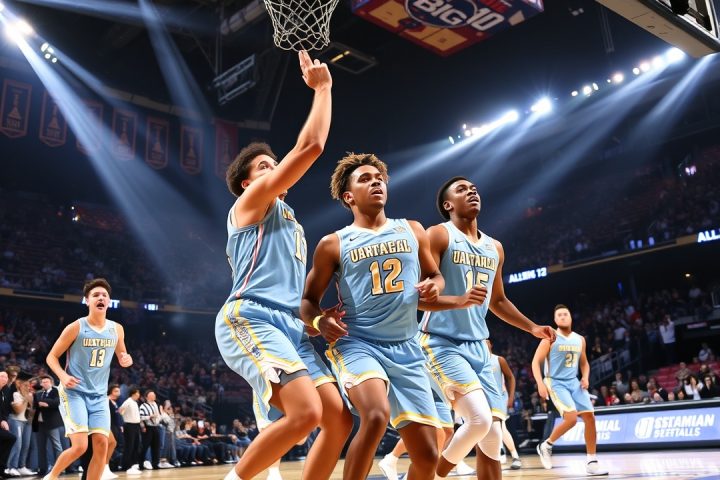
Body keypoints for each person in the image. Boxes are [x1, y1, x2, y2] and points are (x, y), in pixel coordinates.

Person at [216, 49, 352, 480]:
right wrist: (323, 88)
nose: (274, 169)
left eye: (275, 165)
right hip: (250, 317)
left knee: (338, 420)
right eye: (264, 167)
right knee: (305, 413)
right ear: (247, 182)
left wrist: (316, 321)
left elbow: (288, 294)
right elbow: (311, 147)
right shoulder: (250, 203)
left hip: (290, 327)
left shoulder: (291, 221)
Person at [302, 153, 445, 480]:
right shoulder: (333, 243)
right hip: (359, 344)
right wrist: (319, 322)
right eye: (365, 179)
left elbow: (436, 275)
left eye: (379, 178)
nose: (376, 182)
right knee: (376, 415)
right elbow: (308, 301)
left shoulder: (413, 229)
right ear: (348, 197)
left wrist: (435, 287)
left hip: (407, 348)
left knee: (427, 457)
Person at [417, 176, 555, 480]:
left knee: (492, 435)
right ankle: (435, 475)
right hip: (440, 341)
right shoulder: (438, 234)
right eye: (462, 190)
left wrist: (532, 328)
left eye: (474, 189)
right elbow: (419, 300)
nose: (472, 192)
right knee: (478, 421)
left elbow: (499, 300)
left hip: (479, 346)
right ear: (448, 204)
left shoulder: (495, 248)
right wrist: (459, 300)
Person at [42, 279, 133, 480]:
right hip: (74, 393)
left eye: (104, 295)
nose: (101, 298)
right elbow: (51, 357)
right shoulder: (76, 327)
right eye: (95, 295)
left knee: (102, 443)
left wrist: (127, 359)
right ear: (87, 301)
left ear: (109, 301)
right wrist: (63, 376)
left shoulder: (117, 329)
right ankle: (51, 476)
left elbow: (123, 356)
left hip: (99, 395)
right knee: (80, 446)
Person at [533, 304, 608, 476]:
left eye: (565, 314)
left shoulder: (580, 339)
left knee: (590, 417)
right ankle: (546, 445)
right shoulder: (549, 338)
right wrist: (540, 383)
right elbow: (535, 362)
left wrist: (585, 377)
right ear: (555, 320)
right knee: (572, 418)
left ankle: (592, 462)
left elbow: (584, 363)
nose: (562, 317)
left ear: (571, 317)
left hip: (574, 382)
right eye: (559, 315)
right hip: (555, 382)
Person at [487, 340, 521, 469]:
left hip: (500, 396)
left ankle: (513, 455)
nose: (483, 344)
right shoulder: (476, 362)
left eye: (485, 342)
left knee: (499, 426)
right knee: (494, 428)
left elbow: (511, 377)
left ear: (490, 344)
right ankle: (503, 454)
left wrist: (511, 397)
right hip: (485, 398)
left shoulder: (499, 360)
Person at [32, 376, 63, 476]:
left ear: (51, 383)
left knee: (57, 445)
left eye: (46, 382)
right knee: (40, 447)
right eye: (43, 382)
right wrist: (44, 403)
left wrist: (46, 403)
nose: (44, 384)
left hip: (52, 422)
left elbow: (57, 402)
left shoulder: (56, 391)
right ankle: (42, 468)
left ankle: (60, 468)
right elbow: (35, 405)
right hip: (39, 422)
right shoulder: (38, 393)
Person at [7, 372, 35, 477]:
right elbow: (18, 410)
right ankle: (11, 467)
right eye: (26, 385)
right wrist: (25, 399)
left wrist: (31, 402)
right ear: (19, 384)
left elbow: (32, 412)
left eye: (29, 386)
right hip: (16, 420)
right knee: (17, 445)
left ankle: (21, 466)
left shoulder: (28, 395)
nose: (28, 387)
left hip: (26, 422)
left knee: (26, 445)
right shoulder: (16, 394)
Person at [118, 388, 141, 474]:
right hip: (129, 425)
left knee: (136, 445)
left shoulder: (135, 402)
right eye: (137, 393)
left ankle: (133, 464)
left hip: (136, 425)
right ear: (133, 393)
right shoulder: (128, 401)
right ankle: (126, 465)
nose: (139, 394)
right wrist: (123, 419)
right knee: (129, 445)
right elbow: (120, 411)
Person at [0, 371, 17, 476]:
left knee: (10, 439)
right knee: (10, 438)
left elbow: (4, 409)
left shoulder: (5, 391)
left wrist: (4, 420)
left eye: (6, 377)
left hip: (2, 421)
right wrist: (1, 420)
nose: (4, 378)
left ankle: (1, 470)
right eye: (2, 376)